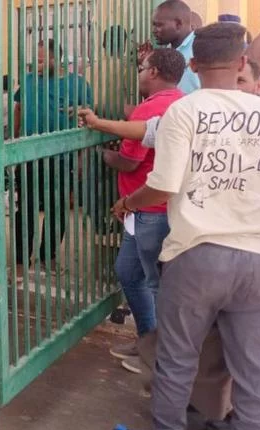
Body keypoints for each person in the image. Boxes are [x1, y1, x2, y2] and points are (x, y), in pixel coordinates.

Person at [107, 22, 260, 430]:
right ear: (242, 62)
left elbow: (163, 186)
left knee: (177, 357)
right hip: (256, 257)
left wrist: (129, 202)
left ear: (193, 65)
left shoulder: (184, 111)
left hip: (197, 255)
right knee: (253, 368)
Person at [93, 49, 186, 369]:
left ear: (154, 72)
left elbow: (129, 161)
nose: (139, 73)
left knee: (156, 285)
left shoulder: (149, 108)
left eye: (142, 68)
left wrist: (102, 154)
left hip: (149, 210)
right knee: (129, 272)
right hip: (155, 211)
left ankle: (160, 357)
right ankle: (148, 341)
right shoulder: (181, 102)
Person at [13, 38, 92, 277]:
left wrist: (81, 155)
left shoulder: (78, 84)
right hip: (29, 155)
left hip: (62, 156)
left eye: (40, 61)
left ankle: (49, 257)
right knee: (25, 209)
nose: (35, 66)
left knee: (57, 209)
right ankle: (20, 260)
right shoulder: (28, 81)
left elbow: (89, 117)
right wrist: (14, 144)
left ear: (56, 59)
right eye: (33, 61)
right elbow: (18, 109)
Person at [150, 0, 199, 94]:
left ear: (178, 24)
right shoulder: (169, 49)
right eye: (154, 25)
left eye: (159, 25)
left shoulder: (198, 48)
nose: (154, 30)